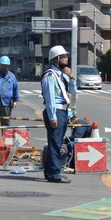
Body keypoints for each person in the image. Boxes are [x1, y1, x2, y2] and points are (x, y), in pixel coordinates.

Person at [41, 45, 76, 184]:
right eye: (63, 57)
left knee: (55, 142)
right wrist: (53, 116)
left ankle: (51, 171)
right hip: (56, 111)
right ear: (56, 59)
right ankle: (54, 173)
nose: (66, 59)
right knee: (55, 143)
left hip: (63, 111)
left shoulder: (62, 75)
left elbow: (73, 91)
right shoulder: (50, 75)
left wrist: (71, 77)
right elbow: (50, 98)